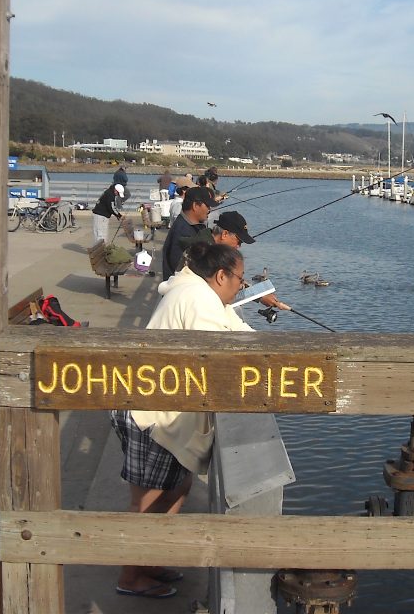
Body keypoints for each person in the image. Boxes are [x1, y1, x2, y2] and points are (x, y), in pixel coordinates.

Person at [109, 243, 251, 599]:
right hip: (151, 413)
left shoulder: (202, 295)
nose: (241, 287)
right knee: (146, 500)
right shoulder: (198, 300)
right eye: (240, 280)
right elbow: (220, 351)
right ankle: (130, 575)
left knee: (178, 487)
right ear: (221, 276)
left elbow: (239, 331)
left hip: (165, 411)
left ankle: (152, 559)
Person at [210, 211, 291, 313]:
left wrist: (260, 295)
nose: (239, 246)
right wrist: (260, 296)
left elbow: (233, 281)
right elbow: (225, 285)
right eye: (239, 241)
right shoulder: (203, 253)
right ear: (225, 234)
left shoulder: (215, 252)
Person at [160, 186, 218, 280]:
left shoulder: (188, 224)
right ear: (195, 206)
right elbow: (180, 268)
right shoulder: (183, 232)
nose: (209, 209)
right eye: (207, 205)